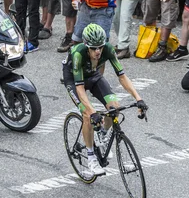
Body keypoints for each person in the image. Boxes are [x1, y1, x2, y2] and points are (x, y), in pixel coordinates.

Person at [62, 24, 148, 176]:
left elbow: (122, 76)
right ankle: (90, 157)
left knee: (114, 107)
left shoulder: (108, 49)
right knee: (88, 115)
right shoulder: (78, 54)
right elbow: (80, 88)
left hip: (93, 76)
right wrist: (93, 112)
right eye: (94, 48)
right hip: (74, 80)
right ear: (86, 46)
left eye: (100, 47)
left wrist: (138, 98)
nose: (98, 51)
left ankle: (102, 133)